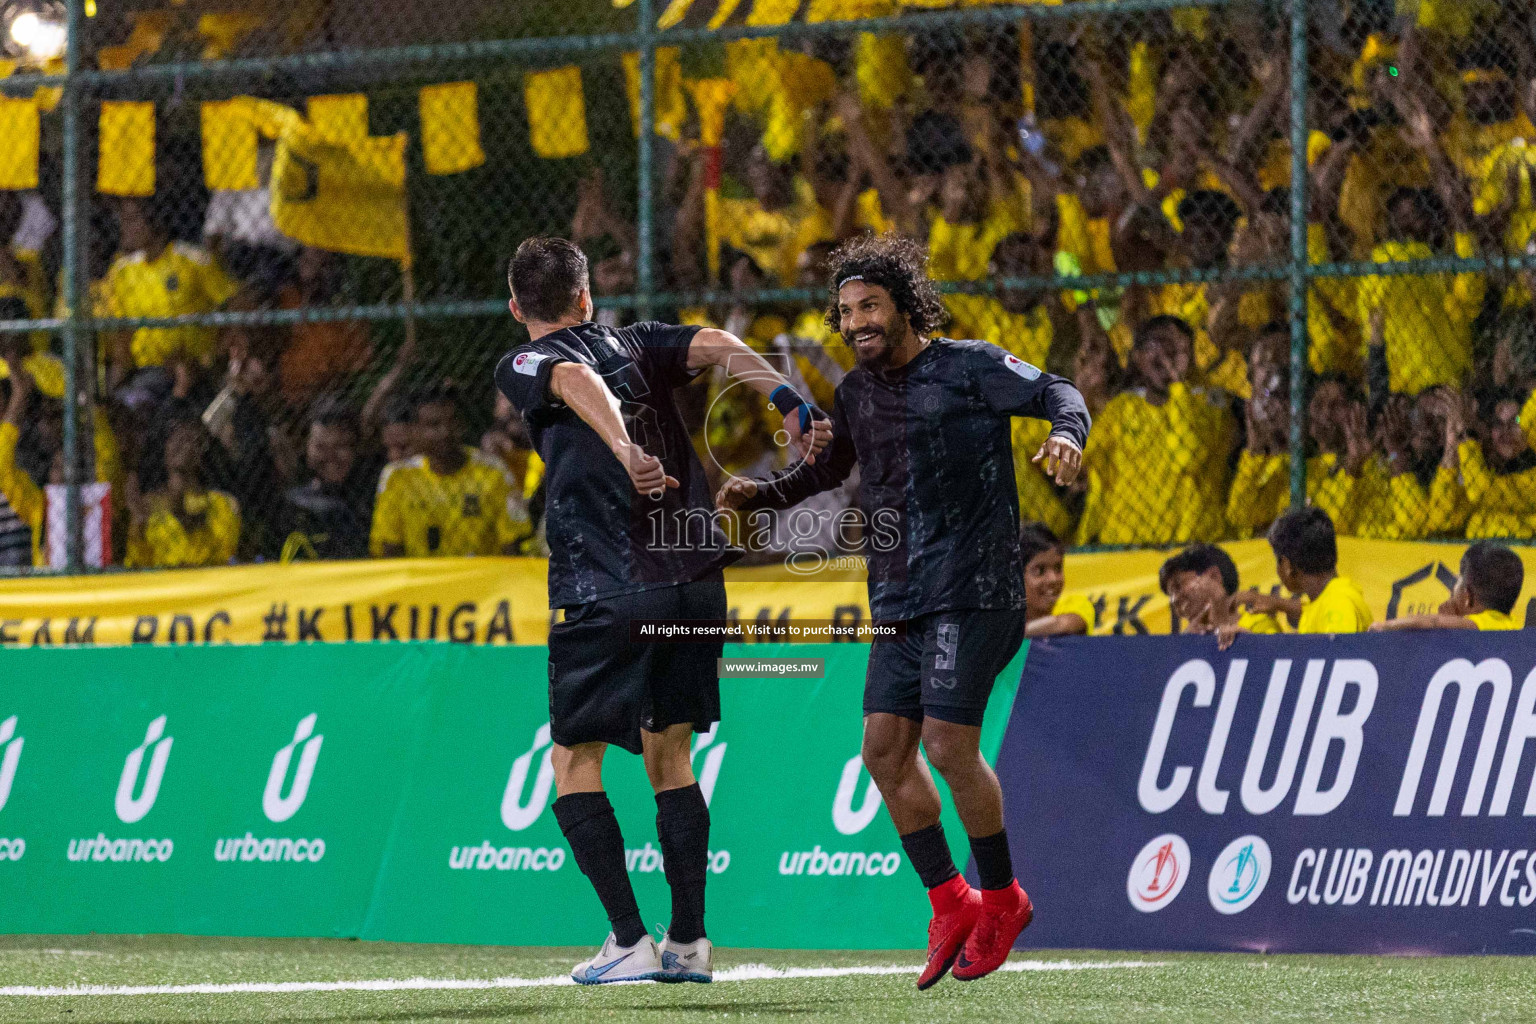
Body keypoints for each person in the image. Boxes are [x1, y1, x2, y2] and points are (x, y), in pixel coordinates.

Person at [717, 234, 1090, 988]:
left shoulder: (970, 365)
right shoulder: (854, 392)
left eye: (870, 306)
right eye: (847, 310)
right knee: (883, 753)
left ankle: (1002, 897)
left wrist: (1065, 432)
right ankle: (949, 899)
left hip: (974, 588)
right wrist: (765, 494)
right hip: (896, 595)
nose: (856, 322)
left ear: (905, 305)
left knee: (950, 747)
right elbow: (830, 464)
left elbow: (1059, 391)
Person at [495, 237, 831, 985]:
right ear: (587, 297)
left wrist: (619, 445)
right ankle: (688, 942)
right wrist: (790, 401)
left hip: (606, 587)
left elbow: (571, 375)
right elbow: (717, 343)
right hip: (695, 582)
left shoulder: (522, 361)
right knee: (669, 755)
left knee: (574, 759)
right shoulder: (637, 340)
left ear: (518, 307)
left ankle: (626, 941)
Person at [369, 384, 525, 558]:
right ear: (415, 430)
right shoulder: (398, 477)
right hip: (419, 581)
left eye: (452, 422)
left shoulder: (493, 472)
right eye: (433, 425)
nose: (445, 432)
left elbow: (513, 545)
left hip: (482, 581)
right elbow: (388, 549)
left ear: (462, 424)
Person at [124, 417, 241, 569]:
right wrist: (140, 525)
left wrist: (194, 523)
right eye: (173, 439)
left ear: (200, 452)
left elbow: (225, 551)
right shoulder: (147, 504)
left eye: (187, 439)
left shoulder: (222, 503)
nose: (179, 444)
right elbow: (137, 562)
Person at [271, 397, 378, 561]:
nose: (330, 456)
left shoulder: (374, 497)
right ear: (306, 448)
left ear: (357, 448)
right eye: (320, 447)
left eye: (340, 446)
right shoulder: (291, 502)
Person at [1246, 506, 1371, 633]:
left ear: (1286, 566)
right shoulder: (1327, 597)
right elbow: (1305, 608)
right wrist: (1278, 604)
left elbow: (1337, 651)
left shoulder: (1337, 605)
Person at [1370, 542, 1524, 632]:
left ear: (1467, 596)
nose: (1452, 591)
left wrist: (1384, 627)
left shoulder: (1486, 624)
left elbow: (1432, 623)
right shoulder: (1511, 625)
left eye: (1457, 583)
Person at [1158, 543, 1284, 648]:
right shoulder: (1187, 642)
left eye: (1178, 586)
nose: (1173, 599)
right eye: (1170, 594)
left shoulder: (1259, 625)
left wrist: (1246, 642)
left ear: (1214, 576)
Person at [1019, 522, 1092, 637]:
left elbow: (1063, 625)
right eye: (1039, 571)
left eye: (1058, 568)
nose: (1053, 579)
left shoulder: (1076, 604)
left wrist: (1011, 637)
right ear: (1016, 577)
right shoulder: (1003, 613)